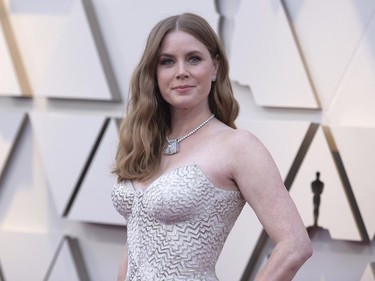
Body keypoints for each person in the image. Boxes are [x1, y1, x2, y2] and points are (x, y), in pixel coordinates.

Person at [111, 13, 312, 281]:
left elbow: (295, 245)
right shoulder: (146, 142)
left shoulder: (237, 147)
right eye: (167, 61)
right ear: (154, 72)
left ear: (215, 67)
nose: (181, 71)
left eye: (194, 58)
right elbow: (138, 237)